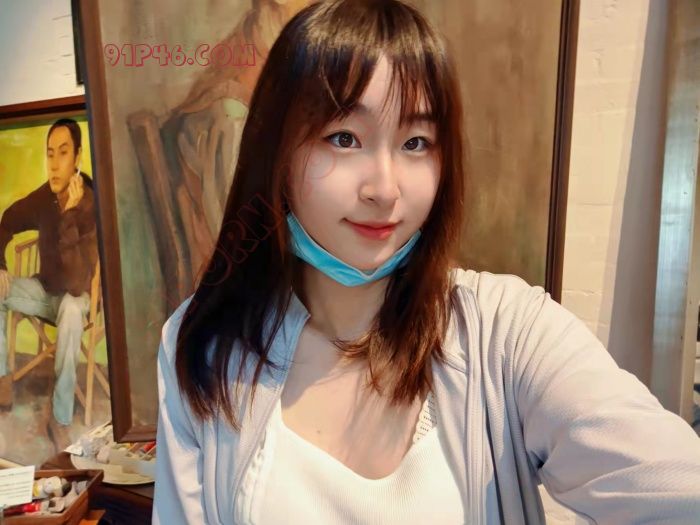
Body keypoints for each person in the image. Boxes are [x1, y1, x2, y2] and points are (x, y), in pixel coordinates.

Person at [153, 1, 700, 523]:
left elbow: (674, 488)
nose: (385, 189)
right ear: (275, 152)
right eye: (344, 138)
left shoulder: (507, 333)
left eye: (416, 142)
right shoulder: (201, 348)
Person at [0, 118, 98, 431]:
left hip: (82, 299)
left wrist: (69, 214)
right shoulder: (44, 197)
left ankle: (61, 414)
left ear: (78, 156)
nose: (54, 164)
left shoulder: (91, 205)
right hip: (46, 293)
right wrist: (0, 265)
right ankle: (2, 381)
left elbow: (76, 284)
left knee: (70, 308)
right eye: (50, 153)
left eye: (63, 153)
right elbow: (6, 220)